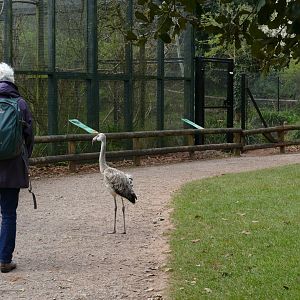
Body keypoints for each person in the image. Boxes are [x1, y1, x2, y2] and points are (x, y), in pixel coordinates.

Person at [0, 62, 34, 273]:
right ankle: (4, 260)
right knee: (8, 214)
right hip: (12, 169)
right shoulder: (20, 104)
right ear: (11, 80)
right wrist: (24, 160)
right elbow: (29, 137)